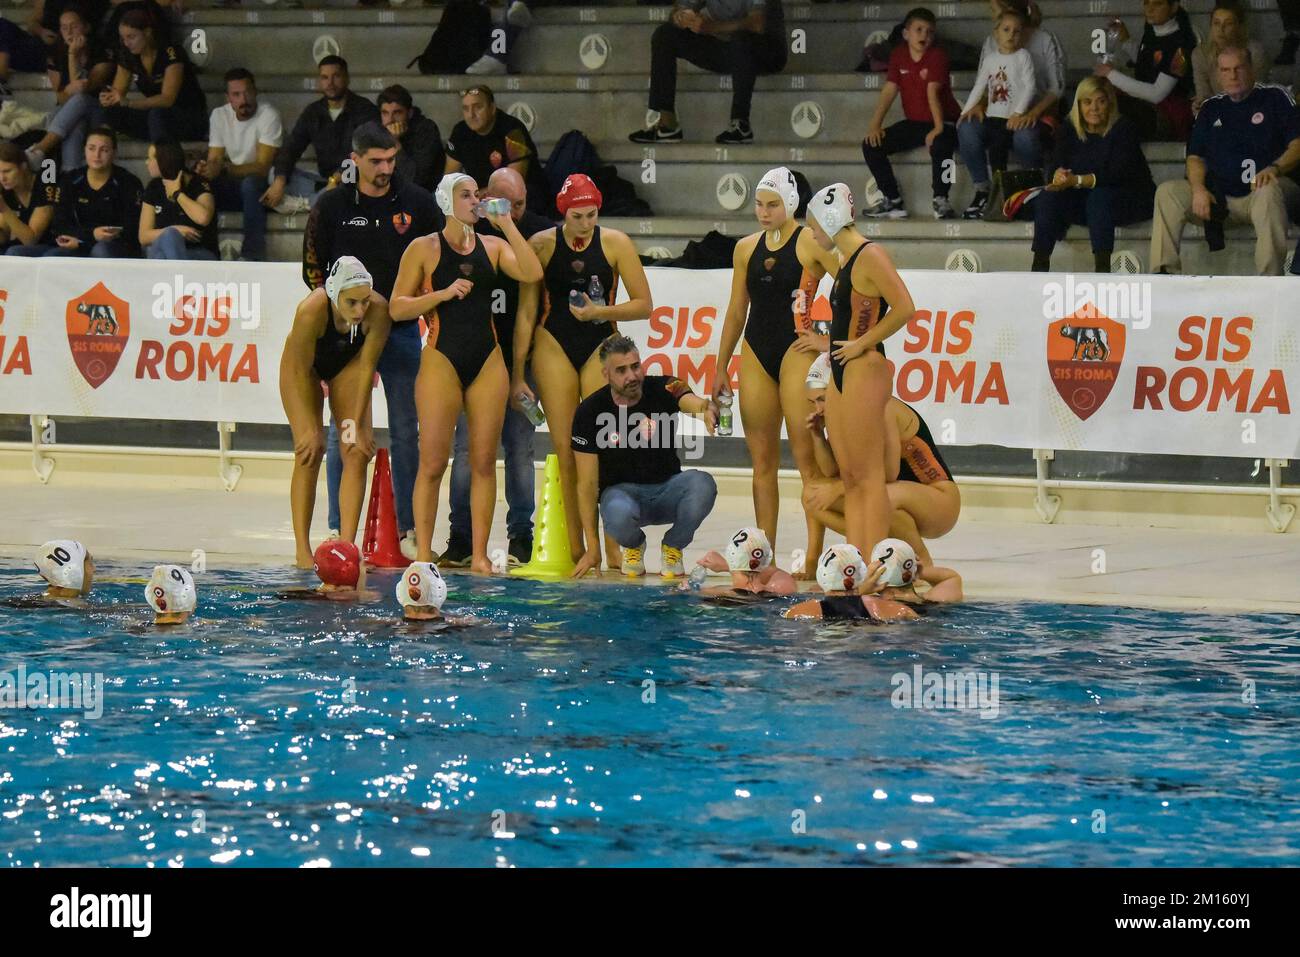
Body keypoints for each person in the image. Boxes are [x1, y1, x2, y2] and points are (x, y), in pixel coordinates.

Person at [389, 172, 543, 574]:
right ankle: (423, 553)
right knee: (434, 462)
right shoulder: (423, 249)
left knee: (482, 462)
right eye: (466, 195)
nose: (475, 201)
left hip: (488, 360)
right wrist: (440, 294)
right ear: (446, 201)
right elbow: (396, 307)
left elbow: (531, 272)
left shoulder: (493, 247)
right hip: (441, 357)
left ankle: (478, 555)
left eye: (478, 194)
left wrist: (506, 223)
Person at [304, 123, 441, 555]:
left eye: (391, 159)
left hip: (399, 330)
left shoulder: (417, 201)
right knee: (343, 430)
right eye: (376, 161)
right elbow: (312, 268)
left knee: (405, 428)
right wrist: (336, 316)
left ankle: (408, 529)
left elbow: (441, 254)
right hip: (349, 334)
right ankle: (336, 529)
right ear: (356, 158)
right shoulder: (331, 205)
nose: (385, 168)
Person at [514, 174, 652, 565]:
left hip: (600, 345)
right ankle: (578, 547)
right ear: (563, 213)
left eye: (592, 214)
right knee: (567, 448)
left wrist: (599, 313)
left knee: (603, 448)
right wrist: (516, 373)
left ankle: (611, 545)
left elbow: (644, 304)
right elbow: (526, 313)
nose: (586, 223)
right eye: (578, 216)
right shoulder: (540, 245)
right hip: (552, 343)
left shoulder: (615, 243)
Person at [710, 166, 836, 570]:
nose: (763, 213)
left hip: (796, 350)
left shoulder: (810, 245)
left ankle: (815, 557)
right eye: (759, 205)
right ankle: (763, 558)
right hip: (756, 350)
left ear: (792, 204)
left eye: (772, 205)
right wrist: (719, 367)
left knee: (807, 461)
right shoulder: (745, 248)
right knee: (761, 463)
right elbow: (734, 312)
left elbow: (854, 286)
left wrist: (829, 340)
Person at [443, 167, 553, 568]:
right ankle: (462, 536)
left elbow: (532, 293)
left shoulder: (533, 233)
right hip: (475, 361)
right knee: (467, 450)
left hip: (518, 359)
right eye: (509, 204)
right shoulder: (465, 232)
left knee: (520, 449)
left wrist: (520, 371)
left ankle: (521, 535)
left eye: (522, 203)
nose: (518, 211)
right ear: (488, 197)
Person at [807, 183, 916, 555]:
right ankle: (853, 563)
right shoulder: (844, 259)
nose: (812, 233)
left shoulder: (871, 255)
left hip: (864, 367)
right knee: (851, 475)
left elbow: (904, 307)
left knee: (869, 477)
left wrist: (862, 343)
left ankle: (877, 562)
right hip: (843, 369)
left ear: (831, 220)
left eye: (815, 226)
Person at [569, 334, 720, 580]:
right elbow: (586, 485)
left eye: (635, 366)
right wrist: (593, 548)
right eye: (621, 370)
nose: (632, 376)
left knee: (702, 484)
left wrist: (704, 409)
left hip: (668, 489)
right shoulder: (589, 411)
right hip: (622, 496)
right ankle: (633, 545)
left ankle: (673, 546)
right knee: (615, 509)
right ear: (606, 374)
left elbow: (687, 398)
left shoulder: (665, 386)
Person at [279, 257, 392, 569]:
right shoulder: (311, 311)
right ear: (334, 295)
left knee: (355, 451)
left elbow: (368, 367)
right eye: (351, 303)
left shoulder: (379, 311)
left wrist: (354, 426)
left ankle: (346, 546)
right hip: (305, 370)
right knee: (310, 448)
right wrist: (311, 427)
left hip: (349, 368)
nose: (359, 310)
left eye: (364, 301)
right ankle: (303, 550)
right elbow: (301, 371)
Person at [1150, 46, 1300, 276]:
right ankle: (1164, 275)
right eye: (1225, 70)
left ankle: (1270, 282)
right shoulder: (1211, 108)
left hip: (1264, 193)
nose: (1232, 75)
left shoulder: (1275, 98)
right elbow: (1195, 157)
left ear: (1251, 68)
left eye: (1238, 68)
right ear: (1218, 74)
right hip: (1220, 196)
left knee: (1268, 190)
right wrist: (1198, 188)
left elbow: (1297, 144)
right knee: (1167, 192)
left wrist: (1275, 168)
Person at [802, 354, 960, 566]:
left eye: (822, 399)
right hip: (899, 497)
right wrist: (818, 435)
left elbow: (888, 473)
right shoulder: (842, 414)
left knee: (879, 497)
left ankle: (922, 564)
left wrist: (839, 489)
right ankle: (873, 549)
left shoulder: (882, 407)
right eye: (812, 402)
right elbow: (831, 471)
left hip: (940, 502)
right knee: (811, 495)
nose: (818, 409)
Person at [1029, 75, 1154, 273]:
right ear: (1078, 105)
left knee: (1100, 197)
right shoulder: (1069, 128)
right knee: (1049, 196)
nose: (1094, 108)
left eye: (1100, 102)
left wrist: (1077, 180)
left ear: (1110, 104)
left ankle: (1102, 270)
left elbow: (1116, 174)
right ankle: (1039, 265)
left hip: (1128, 198)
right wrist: (1058, 176)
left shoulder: (1124, 129)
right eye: (1087, 102)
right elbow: (1055, 164)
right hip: (1087, 202)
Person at [629, 0, 787, 144]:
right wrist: (681, 16)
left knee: (741, 40)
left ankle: (741, 124)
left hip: (767, 51)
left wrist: (711, 27)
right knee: (664, 35)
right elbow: (681, 9)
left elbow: (757, 24)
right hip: (728, 50)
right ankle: (667, 123)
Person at [861, 8, 962, 220]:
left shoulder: (937, 56)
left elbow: (932, 92)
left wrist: (937, 127)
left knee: (942, 144)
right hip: (916, 122)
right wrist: (874, 125)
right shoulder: (898, 54)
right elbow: (890, 90)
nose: (924, 35)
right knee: (871, 145)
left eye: (930, 31)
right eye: (919, 30)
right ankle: (893, 201)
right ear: (906, 34)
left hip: (945, 120)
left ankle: (941, 199)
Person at [264, 56, 380, 215]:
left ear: (347, 78)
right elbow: (291, 148)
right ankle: (321, 200)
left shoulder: (365, 109)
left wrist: (337, 179)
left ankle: (310, 204)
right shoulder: (313, 112)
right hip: (323, 181)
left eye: (336, 76)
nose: (330, 83)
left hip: (352, 180)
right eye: (325, 77)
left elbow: (363, 154)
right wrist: (279, 182)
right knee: (275, 174)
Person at [957, 8, 1038, 219]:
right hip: (993, 117)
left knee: (999, 152)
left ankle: (1014, 195)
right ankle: (996, 195)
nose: (1011, 34)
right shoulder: (991, 59)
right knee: (995, 153)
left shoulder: (1023, 56)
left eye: (1016, 31)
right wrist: (965, 112)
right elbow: (979, 86)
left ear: (1023, 35)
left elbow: (1030, 87)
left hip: (1012, 119)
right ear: (996, 33)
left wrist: (1019, 113)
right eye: (1006, 29)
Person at [196, 68, 283, 262]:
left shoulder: (268, 115)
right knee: (203, 186)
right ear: (228, 98)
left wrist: (224, 168)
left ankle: (252, 256)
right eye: (236, 94)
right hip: (234, 185)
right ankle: (205, 253)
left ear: (255, 92)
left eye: (247, 92)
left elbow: (262, 167)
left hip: (263, 188)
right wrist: (206, 169)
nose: (244, 99)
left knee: (251, 184)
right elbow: (215, 159)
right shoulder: (219, 115)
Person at [15, 126, 142, 258]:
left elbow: (132, 228)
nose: (97, 155)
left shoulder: (128, 182)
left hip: (114, 246)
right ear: (84, 150)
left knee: (100, 250)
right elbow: (59, 224)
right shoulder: (70, 180)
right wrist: (89, 235)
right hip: (76, 242)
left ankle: (101, 280)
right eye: (91, 148)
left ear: (114, 152)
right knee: (17, 253)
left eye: (104, 150)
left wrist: (87, 242)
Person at [24, 5, 115, 173]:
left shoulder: (102, 50)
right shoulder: (55, 53)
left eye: (74, 26)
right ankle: (70, 176)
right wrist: (68, 90)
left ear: (86, 27)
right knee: (76, 122)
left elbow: (83, 91)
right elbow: (62, 97)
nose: (69, 31)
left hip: (100, 111)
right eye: (64, 27)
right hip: (72, 114)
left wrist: (73, 55)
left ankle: (40, 150)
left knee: (80, 100)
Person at [95, 7, 206, 142]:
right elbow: (118, 93)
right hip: (155, 116)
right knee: (110, 113)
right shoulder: (127, 54)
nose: (126, 43)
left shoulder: (170, 52)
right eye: (123, 38)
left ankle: (160, 152)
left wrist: (129, 103)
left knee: (157, 114)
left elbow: (167, 99)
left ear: (147, 32)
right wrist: (109, 98)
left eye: (131, 37)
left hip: (186, 115)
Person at [783, 540, 963, 620]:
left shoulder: (877, 604)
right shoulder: (932, 601)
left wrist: (862, 588)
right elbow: (952, 578)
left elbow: (845, 602)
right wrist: (919, 572)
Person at [1097, 0, 1197, 141]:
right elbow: (1150, 63)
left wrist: (1111, 74)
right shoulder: (1152, 30)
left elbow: (1157, 94)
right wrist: (1125, 39)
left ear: (1173, 7)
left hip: (1167, 116)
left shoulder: (1181, 45)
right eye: (1146, 3)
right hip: (1144, 105)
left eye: (1157, 3)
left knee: (1110, 106)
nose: (1150, 9)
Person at [443, 85, 543, 199]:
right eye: (466, 109)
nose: (471, 115)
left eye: (478, 107)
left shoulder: (514, 131)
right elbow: (449, 180)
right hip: (479, 200)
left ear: (492, 108)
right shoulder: (460, 131)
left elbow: (512, 184)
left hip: (521, 200)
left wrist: (473, 197)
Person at [139, 138, 217, 261]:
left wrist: (177, 194)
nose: (146, 162)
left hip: (199, 252)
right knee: (169, 237)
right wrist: (175, 231)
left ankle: (175, 276)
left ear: (163, 160)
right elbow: (143, 236)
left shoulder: (198, 183)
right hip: (164, 251)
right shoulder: (153, 187)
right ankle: (179, 277)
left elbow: (203, 218)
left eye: (150, 158)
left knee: (161, 255)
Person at [1192, 3, 1269, 112]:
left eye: (1228, 24)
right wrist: (1201, 104)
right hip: (1216, 111)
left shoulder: (1254, 51)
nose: (1221, 29)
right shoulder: (1200, 54)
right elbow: (1203, 94)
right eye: (1216, 23)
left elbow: (1256, 91)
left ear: (1239, 26)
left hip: (1250, 109)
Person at [690, 526, 797, 599]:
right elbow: (779, 574)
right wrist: (729, 566)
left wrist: (688, 588)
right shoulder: (782, 590)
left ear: (729, 556)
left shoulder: (714, 593)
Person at [378, 84, 445, 192]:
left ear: (409, 113)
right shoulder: (377, 130)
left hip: (425, 196)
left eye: (397, 113)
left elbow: (416, 180)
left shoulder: (426, 130)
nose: (390, 120)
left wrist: (395, 143)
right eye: (385, 113)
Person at [278, 540, 381, 601]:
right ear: (349, 571)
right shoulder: (362, 596)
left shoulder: (304, 593)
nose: (366, 568)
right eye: (362, 564)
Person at [0, 142, 55, 254]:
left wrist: (3, 208)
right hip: (21, 247)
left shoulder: (45, 184)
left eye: (7, 171)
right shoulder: (6, 190)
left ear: (23, 166)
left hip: (52, 245)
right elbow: (3, 236)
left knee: (14, 252)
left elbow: (31, 240)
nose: (2, 178)